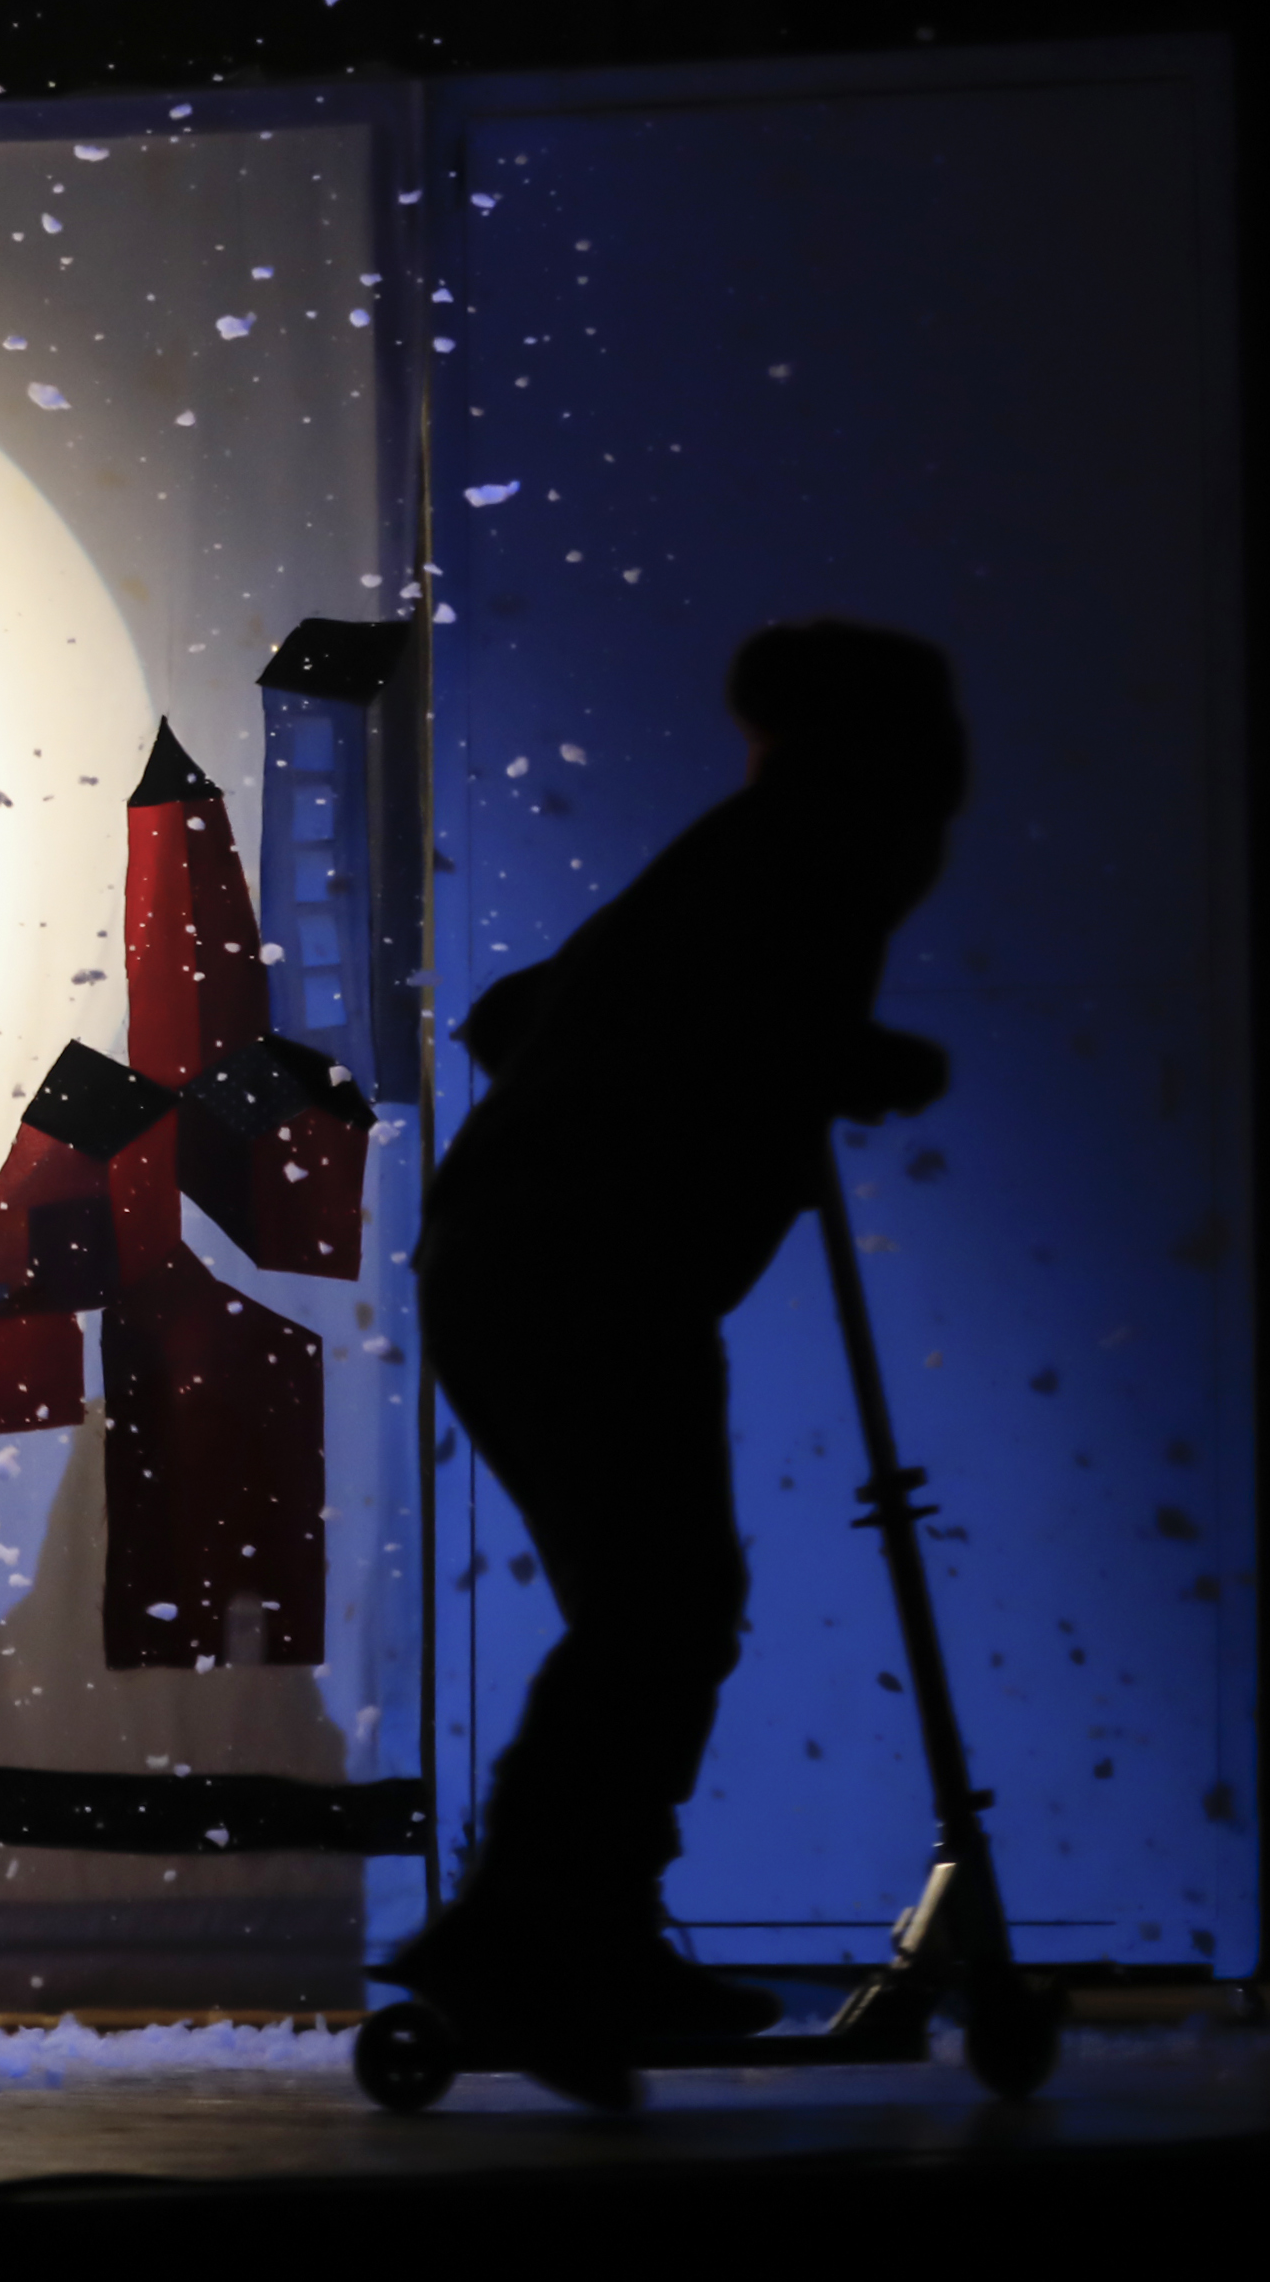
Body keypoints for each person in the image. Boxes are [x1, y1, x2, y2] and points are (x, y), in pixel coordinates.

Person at [394, 618, 965, 2104]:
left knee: (654, 1608)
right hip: (576, 1275)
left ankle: (563, 1932)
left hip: (556, 1270)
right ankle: (534, 1941)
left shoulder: (758, 853)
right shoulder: (802, 858)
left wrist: (794, 1063)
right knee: (661, 1605)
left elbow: (525, 1014)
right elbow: (683, 1018)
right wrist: (837, 1061)